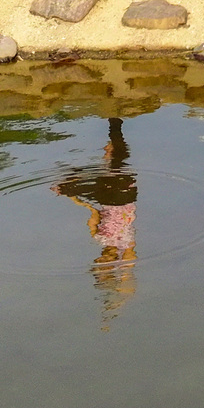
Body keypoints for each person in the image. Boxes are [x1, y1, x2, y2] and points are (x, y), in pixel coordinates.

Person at [53, 117, 139, 322]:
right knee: (115, 164)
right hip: (122, 197)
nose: (98, 260)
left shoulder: (98, 238)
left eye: (96, 263)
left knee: (111, 165)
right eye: (101, 264)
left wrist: (75, 199)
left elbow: (93, 212)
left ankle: (114, 130)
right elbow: (128, 283)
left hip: (111, 199)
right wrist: (117, 302)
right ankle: (115, 129)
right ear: (109, 265)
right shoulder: (125, 248)